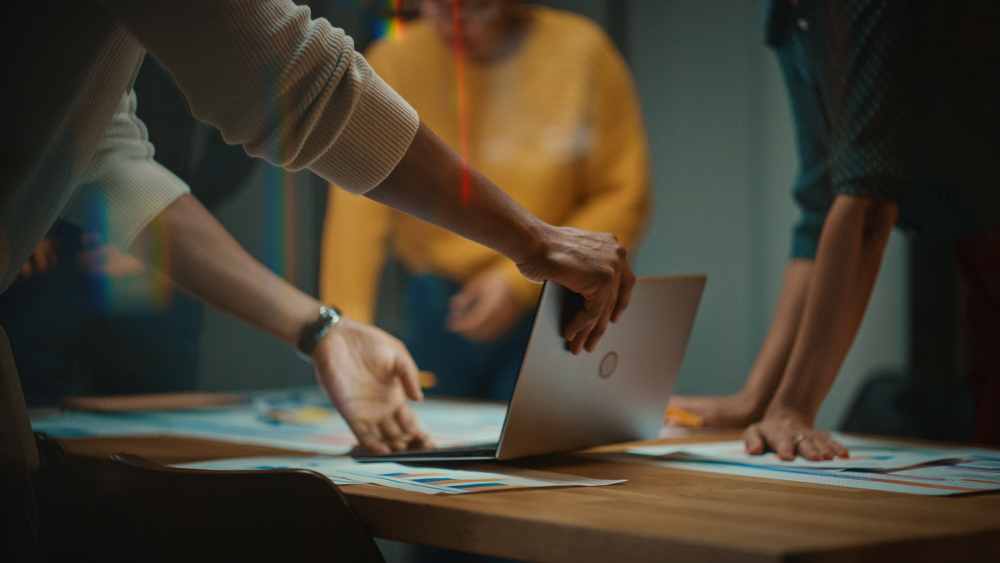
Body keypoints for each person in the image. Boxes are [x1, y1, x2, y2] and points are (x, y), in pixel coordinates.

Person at [0, 1, 634, 559]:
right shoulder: (402, 54)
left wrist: (322, 327)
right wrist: (533, 240)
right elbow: (295, 78)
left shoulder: (580, 48)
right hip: (447, 295)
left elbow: (111, 162)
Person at [668, 0, 1000, 459]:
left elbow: (869, 202)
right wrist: (759, 400)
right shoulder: (790, 17)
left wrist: (795, 405)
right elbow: (822, 207)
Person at [321, 0, 650, 401]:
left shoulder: (583, 52)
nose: (453, 24)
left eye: (475, 8)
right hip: (437, 300)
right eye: (436, 6)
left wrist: (519, 281)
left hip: (554, 295)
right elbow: (357, 205)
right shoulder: (393, 59)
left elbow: (623, 190)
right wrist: (346, 326)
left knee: (544, 453)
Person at [0, 57, 257, 406]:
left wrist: (169, 222)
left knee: (155, 428)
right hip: (44, 245)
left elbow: (253, 120)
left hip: (157, 252)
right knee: (26, 421)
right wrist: (20, 214)